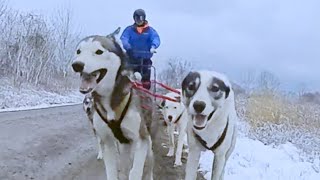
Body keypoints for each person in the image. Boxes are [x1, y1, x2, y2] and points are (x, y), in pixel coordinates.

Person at [120, 9, 160, 90]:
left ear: (144, 18)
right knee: (127, 76)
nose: (138, 20)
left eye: (140, 18)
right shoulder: (129, 30)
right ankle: (127, 91)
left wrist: (153, 46)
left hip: (145, 59)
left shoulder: (150, 31)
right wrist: (128, 48)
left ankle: (146, 92)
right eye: (136, 18)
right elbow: (124, 38)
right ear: (134, 19)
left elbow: (155, 38)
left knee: (146, 78)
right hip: (131, 59)